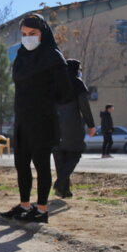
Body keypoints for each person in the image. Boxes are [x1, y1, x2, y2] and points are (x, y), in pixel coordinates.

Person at [0, 14, 71, 224]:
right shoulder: (21, 56)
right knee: (21, 165)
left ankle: (41, 210)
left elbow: (65, 92)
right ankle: (24, 207)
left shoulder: (53, 57)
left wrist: (46, 101)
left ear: (43, 34)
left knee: (41, 165)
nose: (28, 38)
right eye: (24, 34)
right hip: (22, 119)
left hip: (43, 120)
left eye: (32, 34)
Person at [53, 59, 96, 198]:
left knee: (60, 157)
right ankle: (60, 184)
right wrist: (91, 125)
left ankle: (64, 191)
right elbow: (85, 107)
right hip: (71, 125)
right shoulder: (77, 83)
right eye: (80, 69)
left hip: (54, 125)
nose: (80, 72)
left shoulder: (55, 83)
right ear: (76, 70)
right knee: (75, 153)